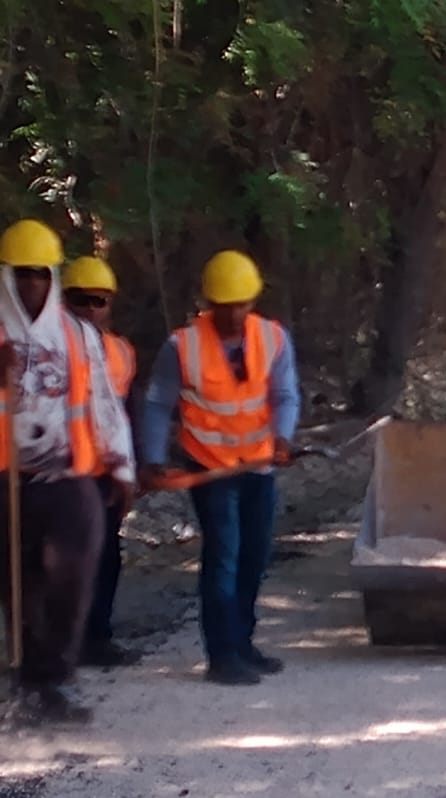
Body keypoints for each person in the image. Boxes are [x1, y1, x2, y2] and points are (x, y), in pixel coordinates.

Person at [138, 250, 301, 686]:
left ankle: (243, 642)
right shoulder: (183, 346)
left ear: (253, 301)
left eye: (242, 304)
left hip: (258, 467)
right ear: (209, 302)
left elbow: (285, 396)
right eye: (224, 305)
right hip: (210, 470)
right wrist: (152, 460)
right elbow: (157, 405)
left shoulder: (273, 339)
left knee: (254, 556)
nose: (233, 313)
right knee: (224, 556)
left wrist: (283, 436)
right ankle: (222, 654)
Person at [0, 219, 136, 725]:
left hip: (68, 475)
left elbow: (103, 402)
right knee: (19, 585)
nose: (30, 284)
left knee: (73, 573)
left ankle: (55, 671)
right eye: (20, 274)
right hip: (7, 480)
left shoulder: (78, 334)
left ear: (53, 276)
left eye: (39, 273)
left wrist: (121, 465)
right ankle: (32, 685)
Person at [61, 256, 142, 667]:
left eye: (99, 301)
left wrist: (131, 468)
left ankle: (97, 638)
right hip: (59, 473)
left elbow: (127, 414)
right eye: (80, 300)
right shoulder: (48, 349)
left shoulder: (122, 353)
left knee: (107, 556)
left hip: (104, 475)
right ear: (64, 300)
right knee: (56, 562)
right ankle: (56, 646)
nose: (90, 309)